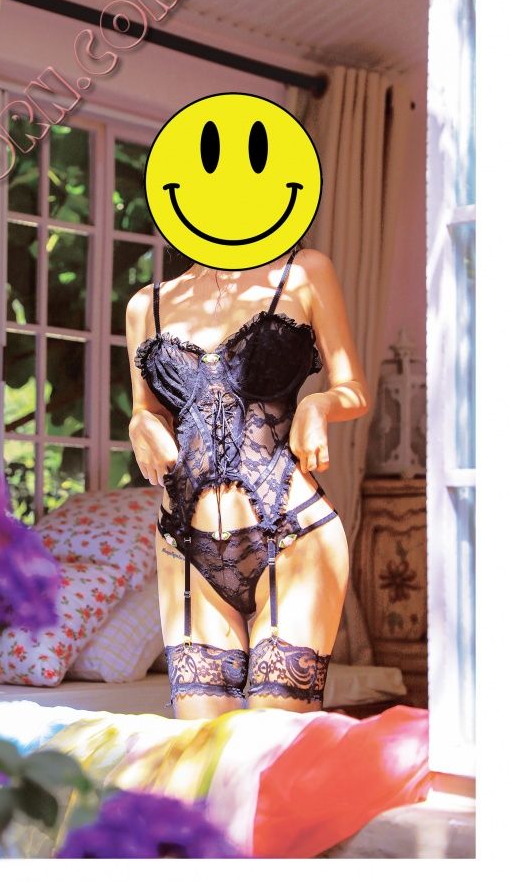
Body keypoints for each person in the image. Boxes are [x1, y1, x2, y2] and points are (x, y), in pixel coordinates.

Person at [126, 242, 371, 719]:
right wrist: (140, 424)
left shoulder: (303, 272)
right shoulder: (145, 305)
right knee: (202, 750)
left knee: (273, 743)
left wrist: (318, 405)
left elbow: (353, 388)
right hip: (184, 544)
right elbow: (147, 408)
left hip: (292, 532)